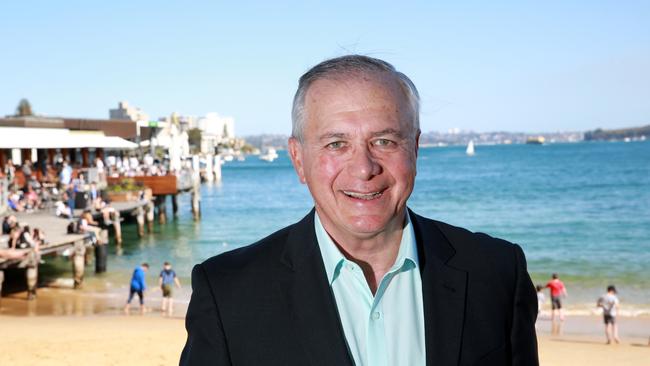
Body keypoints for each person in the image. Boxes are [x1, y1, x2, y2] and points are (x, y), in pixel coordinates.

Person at [180, 55, 539, 365]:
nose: (364, 168)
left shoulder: (496, 272)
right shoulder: (229, 294)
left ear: (414, 148)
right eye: (337, 144)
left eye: (384, 141)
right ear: (298, 159)